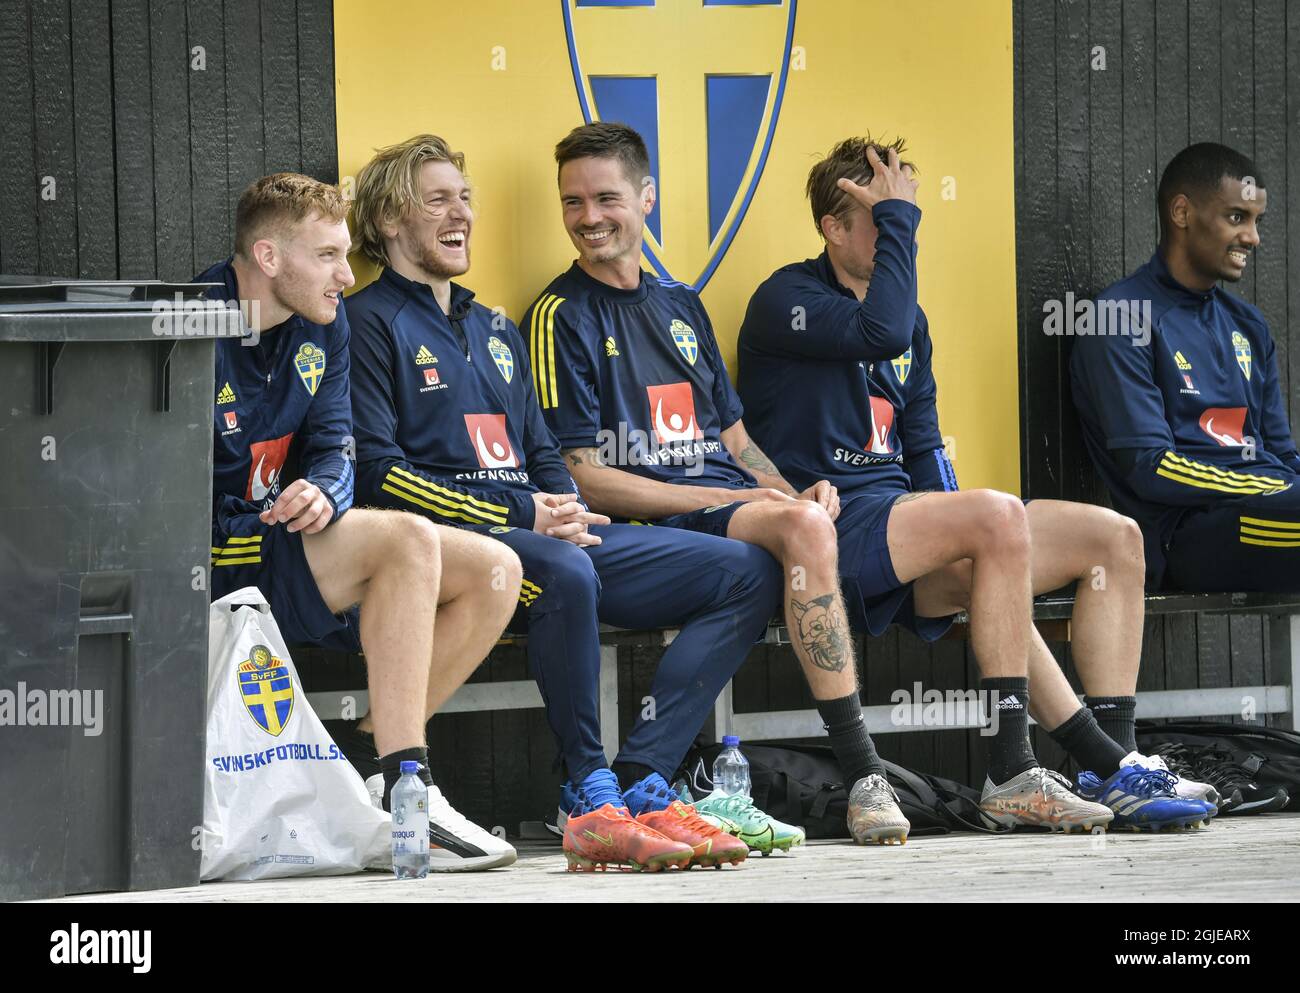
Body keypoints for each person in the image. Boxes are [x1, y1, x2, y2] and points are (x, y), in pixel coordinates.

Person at [736, 135, 1216, 830]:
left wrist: (967, 523)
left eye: (905, 213)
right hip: (833, 529)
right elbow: (882, 328)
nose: (899, 229)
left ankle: (1115, 765)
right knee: (993, 517)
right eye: (883, 216)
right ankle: (1012, 768)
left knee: (1114, 538)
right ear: (833, 227)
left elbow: (925, 443)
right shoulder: (789, 297)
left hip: (907, 524)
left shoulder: (911, 322)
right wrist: (903, 222)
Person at [346, 135, 785, 870]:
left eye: (465, 197)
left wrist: (562, 506)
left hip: (550, 539)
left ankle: (641, 776)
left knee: (747, 569)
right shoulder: (366, 324)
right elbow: (379, 477)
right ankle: (586, 791)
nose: (462, 214)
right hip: (458, 552)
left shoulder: (491, 327)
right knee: (566, 570)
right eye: (437, 201)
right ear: (391, 220)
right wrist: (524, 516)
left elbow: (542, 448)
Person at [201, 172, 520, 870]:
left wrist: (324, 490)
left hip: (286, 544)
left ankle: (373, 763)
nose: (347, 275)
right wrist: (274, 516)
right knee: (406, 538)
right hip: (210, 561)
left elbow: (338, 444)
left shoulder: (325, 321)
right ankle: (411, 787)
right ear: (268, 257)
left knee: (498, 571)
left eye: (347, 254)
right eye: (327, 256)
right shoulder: (194, 327)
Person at [1072, 142, 1299, 600]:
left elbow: (1282, 453)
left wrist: (1285, 484)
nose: (1253, 238)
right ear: (1182, 212)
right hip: (1184, 538)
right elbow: (1149, 467)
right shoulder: (1119, 316)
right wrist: (1273, 486)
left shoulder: (1249, 326)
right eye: (1237, 217)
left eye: (1256, 221)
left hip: (1269, 512)